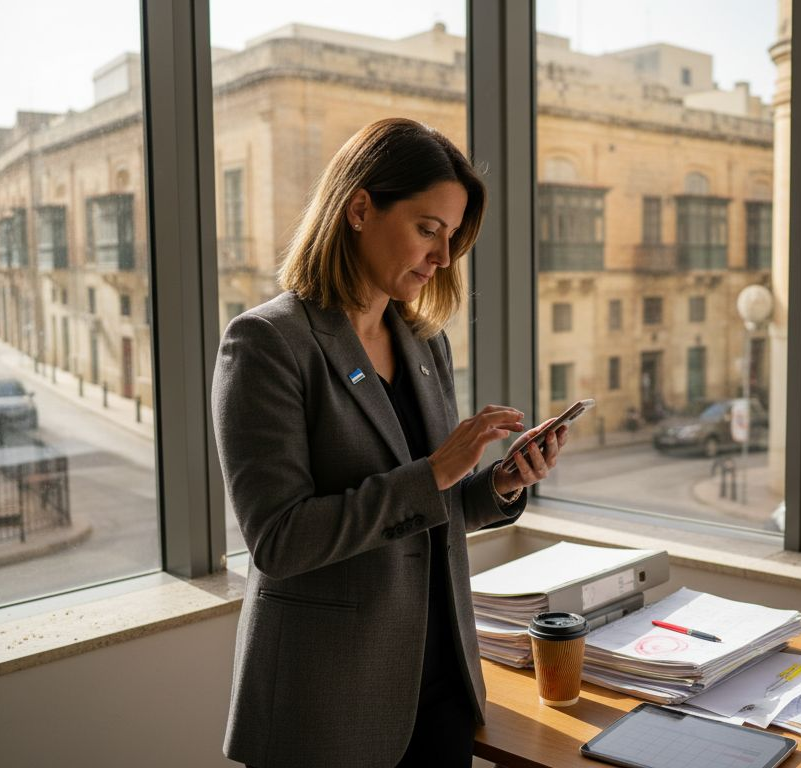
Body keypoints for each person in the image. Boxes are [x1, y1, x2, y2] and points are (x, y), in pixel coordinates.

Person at [212, 117, 568, 768]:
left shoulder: (425, 342)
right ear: (359, 208)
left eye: (453, 238)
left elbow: (430, 514)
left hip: (441, 691)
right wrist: (433, 473)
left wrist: (497, 485)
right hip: (329, 709)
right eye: (428, 229)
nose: (442, 257)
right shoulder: (267, 343)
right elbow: (279, 540)